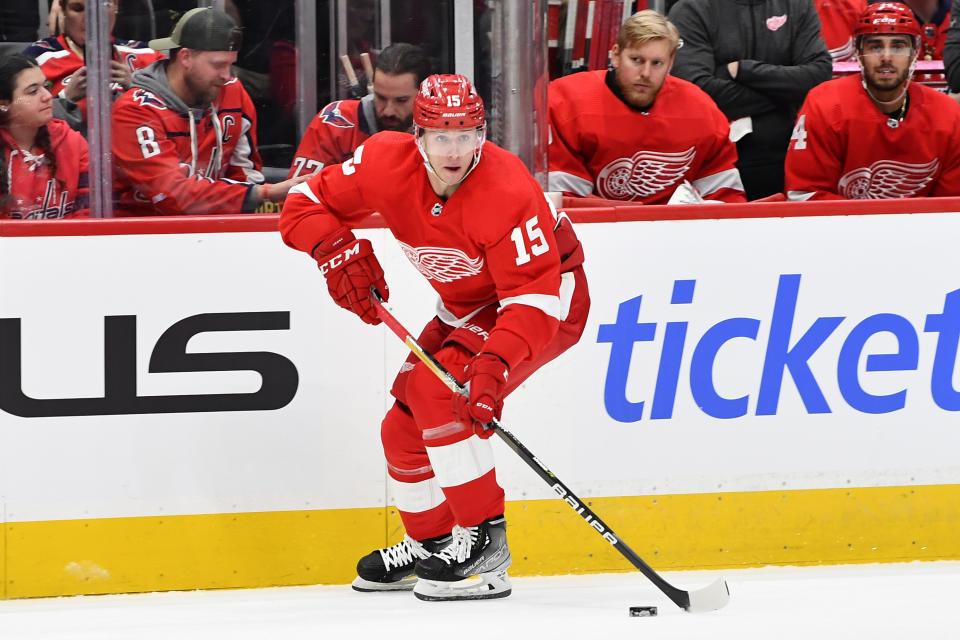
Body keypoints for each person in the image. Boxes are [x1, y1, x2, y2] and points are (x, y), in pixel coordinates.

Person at [278, 74, 590, 601]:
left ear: (482, 135)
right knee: (400, 426)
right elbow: (303, 202)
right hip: (466, 305)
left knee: (441, 395)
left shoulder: (509, 190)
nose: (454, 150)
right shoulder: (382, 162)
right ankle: (433, 541)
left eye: (466, 135)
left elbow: (533, 301)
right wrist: (334, 250)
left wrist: (494, 366)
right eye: (441, 136)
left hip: (544, 304)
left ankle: (487, 547)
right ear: (417, 135)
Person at [111, 7, 307, 216]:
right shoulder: (134, 111)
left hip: (214, 227)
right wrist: (267, 192)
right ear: (185, 57)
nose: (226, 75)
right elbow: (174, 194)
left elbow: (245, 175)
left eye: (231, 64)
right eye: (218, 65)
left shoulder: (233, 91)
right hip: (137, 235)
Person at [547, 10, 745, 204]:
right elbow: (564, 201)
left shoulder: (701, 110)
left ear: (670, 64)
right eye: (636, 60)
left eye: (657, 63)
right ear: (616, 55)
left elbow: (725, 200)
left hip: (676, 232)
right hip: (598, 231)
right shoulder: (566, 102)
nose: (646, 73)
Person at [784, 2, 960, 199]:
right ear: (858, 52)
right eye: (875, 46)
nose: (886, 57)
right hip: (840, 229)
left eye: (898, 46)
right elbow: (805, 194)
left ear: (913, 54)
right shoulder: (824, 105)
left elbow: (950, 206)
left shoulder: (947, 114)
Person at [668, 0, 833, 200]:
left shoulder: (797, 4)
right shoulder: (692, 8)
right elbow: (696, 92)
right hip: (716, 169)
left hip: (788, 160)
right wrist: (788, 92)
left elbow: (819, 76)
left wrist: (744, 70)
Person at [287, 42, 432, 179]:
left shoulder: (446, 130)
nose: (388, 111)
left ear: (426, 96)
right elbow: (297, 198)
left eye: (401, 101)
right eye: (380, 97)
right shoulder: (336, 121)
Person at [23, 0, 166, 132]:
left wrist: (136, 89)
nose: (90, 19)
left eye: (99, 8)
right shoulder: (38, 56)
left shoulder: (146, 54)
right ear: (63, 9)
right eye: (78, 9)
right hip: (67, 154)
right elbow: (14, 112)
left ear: (115, 5)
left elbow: (180, 111)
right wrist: (65, 98)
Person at [0, 54, 88, 219]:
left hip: (70, 243)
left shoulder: (73, 143)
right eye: (33, 91)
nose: (47, 96)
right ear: (4, 104)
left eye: (46, 86)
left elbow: (88, 212)